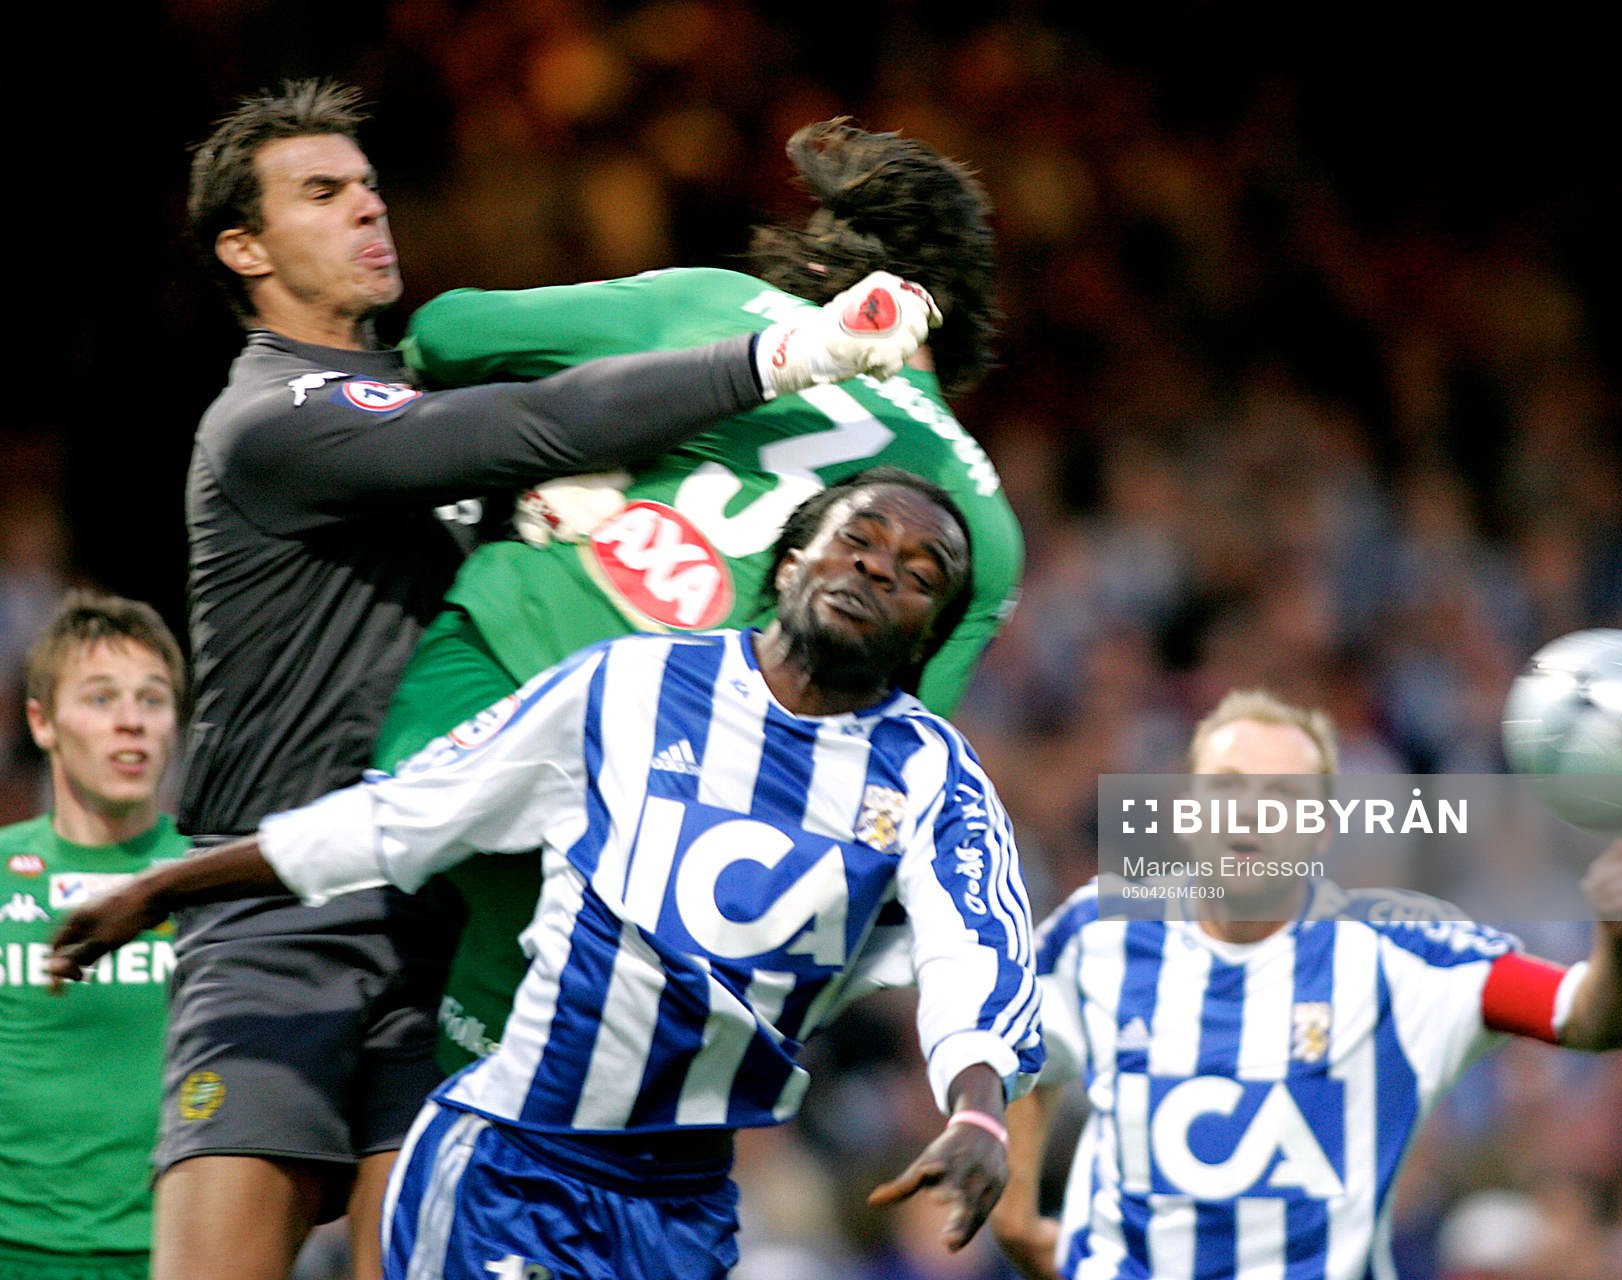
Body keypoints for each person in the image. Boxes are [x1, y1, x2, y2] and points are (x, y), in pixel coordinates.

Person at [172, 79, 939, 1280]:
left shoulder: (410, 409)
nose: (368, 209)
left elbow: (510, 479)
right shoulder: (271, 416)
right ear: (245, 246)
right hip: (282, 914)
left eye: (369, 184)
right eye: (322, 194)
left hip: (436, 915)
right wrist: (790, 353)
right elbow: (534, 420)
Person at [51, 473, 1043, 1280]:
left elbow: (977, 951)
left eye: (921, 573)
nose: (879, 566)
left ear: (927, 635)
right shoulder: (631, 683)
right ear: (790, 559)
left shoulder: (930, 774)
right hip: (515, 1161)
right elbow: (406, 815)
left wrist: (977, 1106)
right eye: (859, 536)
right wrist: (163, 886)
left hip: (683, 1207)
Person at [367, 116, 1022, 1075]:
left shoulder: (724, 307)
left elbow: (445, 333)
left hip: (472, 705)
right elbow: (883, 751)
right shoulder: (985, 527)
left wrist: (587, 444)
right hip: (663, 834)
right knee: (489, 1104)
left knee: (344, 1000)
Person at [989, 689, 1622, 1280]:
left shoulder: (1403, 953)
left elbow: (1585, 1018)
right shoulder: (1099, 928)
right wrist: (1015, 1213)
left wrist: (1620, 943)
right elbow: (1025, 1040)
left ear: (1321, 832)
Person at [0, 591, 188, 1280]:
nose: (132, 722)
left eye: (154, 699)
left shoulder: (215, 877)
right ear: (41, 722)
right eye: (102, 699)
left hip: (175, 1251)